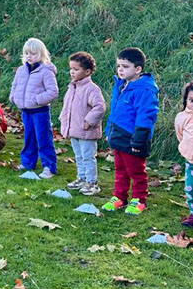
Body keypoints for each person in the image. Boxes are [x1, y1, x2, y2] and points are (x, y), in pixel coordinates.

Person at [102, 47, 159, 216]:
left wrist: (138, 140)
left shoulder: (144, 90)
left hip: (134, 138)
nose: (120, 70)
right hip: (118, 136)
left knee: (136, 172)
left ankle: (139, 199)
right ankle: (119, 197)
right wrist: (109, 131)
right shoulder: (121, 85)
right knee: (120, 170)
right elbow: (114, 112)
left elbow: (146, 116)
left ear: (138, 69)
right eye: (118, 66)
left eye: (125, 66)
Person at [9, 37, 59, 178]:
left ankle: (49, 166)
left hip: (40, 111)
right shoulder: (21, 70)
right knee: (29, 137)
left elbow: (53, 91)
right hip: (25, 111)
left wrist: (37, 100)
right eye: (27, 53)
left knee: (43, 138)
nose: (29, 56)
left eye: (33, 54)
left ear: (41, 54)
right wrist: (13, 97)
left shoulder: (46, 71)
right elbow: (15, 85)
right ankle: (27, 163)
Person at [60, 51, 106, 196]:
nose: (72, 72)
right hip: (74, 130)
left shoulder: (91, 89)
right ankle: (82, 178)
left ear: (87, 71)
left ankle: (92, 182)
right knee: (78, 156)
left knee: (88, 157)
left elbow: (99, 107)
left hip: (86, 131)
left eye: (76, 69)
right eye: (71, 69)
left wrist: (89, 121)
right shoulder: (72, 88)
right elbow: (67, 107)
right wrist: (63, 120)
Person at [174, 80, 193, 228]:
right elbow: (180, 134)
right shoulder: (183, 117)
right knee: (191, 188)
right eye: (191, 100)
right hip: (192, 160)